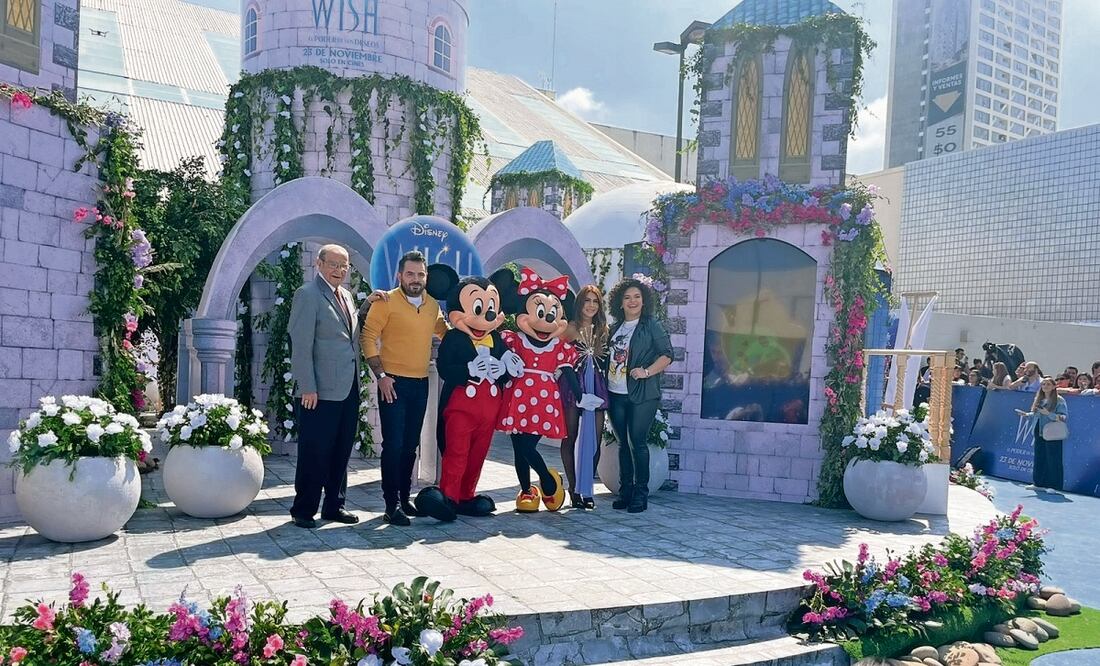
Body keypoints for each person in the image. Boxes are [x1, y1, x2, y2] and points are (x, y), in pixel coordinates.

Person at [360, 250, 448, 526]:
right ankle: (390, 505)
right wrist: (381, 376)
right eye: (410, 273)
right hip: (393, 384)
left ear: (426, 277)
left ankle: (404, 498)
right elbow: (367, 338)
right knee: (394, 446)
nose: (415, 279)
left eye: (420, 274)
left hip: (421, 384)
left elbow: (444, 332)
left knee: (411, 447)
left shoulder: (433, 305)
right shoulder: (386, 301)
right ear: (400, 275)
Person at [287, 244, 362, 529]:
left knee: (341, 449)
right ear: (318, 263)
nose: (339, 270)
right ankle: (303, 509)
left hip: (347, 386)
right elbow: (301, 344)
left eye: (344, 266)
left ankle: (334, 505)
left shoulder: (346, 295)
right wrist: (307, 386)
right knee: (315, 450)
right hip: (318, 391)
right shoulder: (307, 295)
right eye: (333, 264)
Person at [606, 277, 672, 513]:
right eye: (627, 297)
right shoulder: (614, 328)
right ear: (620, 303)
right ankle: (625, 491)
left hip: (643, 394)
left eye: (637, 296)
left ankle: (640, 494)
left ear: (643, 301)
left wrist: (646, 372)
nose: (632, 301)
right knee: (623, 443)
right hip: (615, 393)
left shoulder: (651, 325)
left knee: (638, 443)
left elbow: (667, 355)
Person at [561, 285, 610, 510]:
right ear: (579, 303)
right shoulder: (569, 329)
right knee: (569, 437)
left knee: (594, 441)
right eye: (587, 300)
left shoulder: (604, 329)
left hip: (597, 387)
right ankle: (573, 488)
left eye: (595, 301)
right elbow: (558, 357)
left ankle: (586, 486)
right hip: (572, 387)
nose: (591, 305)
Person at [1016, 377, 1067, 492]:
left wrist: (1049, 414)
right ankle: (1039, 483)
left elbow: (1063, 417)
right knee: (1039, 456)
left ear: (1054, 386)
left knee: (1053, 458)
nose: (1045, 386)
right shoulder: (1040, 399)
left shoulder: (1059, 400)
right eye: (1043, 384)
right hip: (1039, 430)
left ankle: (1054, 486)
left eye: (1048, 384)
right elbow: (1036, 414)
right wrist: (1027, 415)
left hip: (1052, 432)